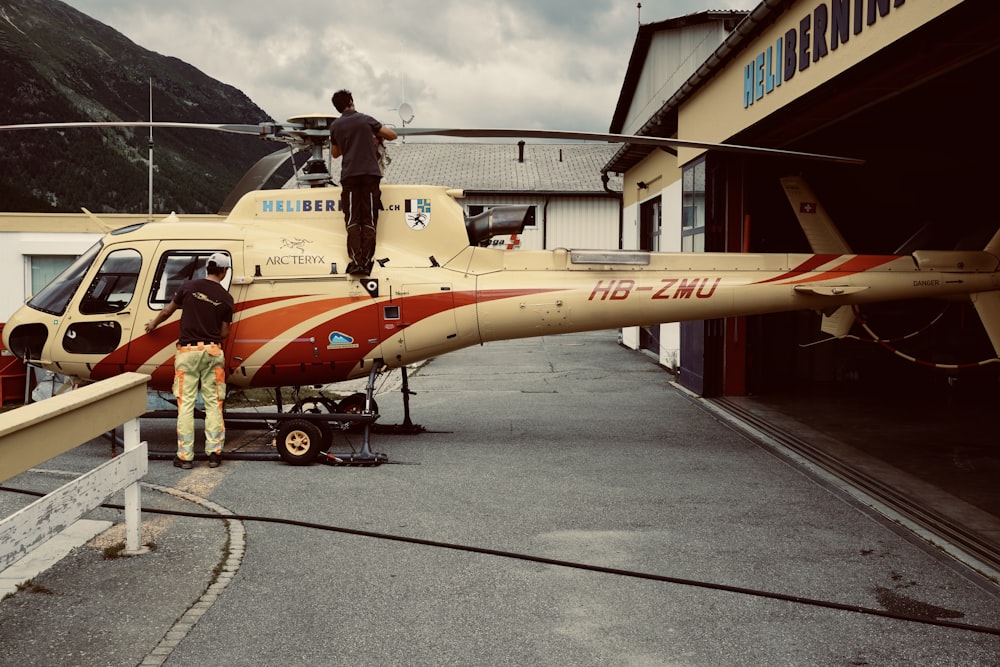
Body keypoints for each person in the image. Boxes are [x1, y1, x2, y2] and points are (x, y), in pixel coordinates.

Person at [144, 252, 235, 469]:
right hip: (213, 352)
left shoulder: (188, 286)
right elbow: (224, 332)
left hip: (188, 352)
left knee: (185, 405)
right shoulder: (226, 298)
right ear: (223, 272)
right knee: (214, 404)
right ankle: (214, 454)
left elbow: (167, 311)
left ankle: (185, 457)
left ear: (208, 268)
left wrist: (153, 324)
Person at [329, 89, 398, 276]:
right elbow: (392, 135)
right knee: (368, 219)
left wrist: (348, 141)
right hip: (370, 175)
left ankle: (355, 261)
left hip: (349, 176)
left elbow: (335, 154)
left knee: (352, 219)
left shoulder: (335, 126)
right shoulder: (366, 120)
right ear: (351, 101)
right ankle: (366, 262)